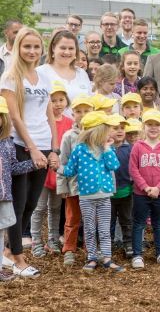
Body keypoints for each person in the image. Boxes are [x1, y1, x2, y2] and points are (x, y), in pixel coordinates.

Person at [0, 27, 59, 278]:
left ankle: (7, 251)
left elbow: (50, 115)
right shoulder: (10, 77)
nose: (32, 51)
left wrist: (54, 149)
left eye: (36, 47)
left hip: (44, 145)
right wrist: (32, 148)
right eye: (27, 46)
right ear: (18, 48)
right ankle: (18, 258)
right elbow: (14, 117)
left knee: (32, 203)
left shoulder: (43, 76)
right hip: (21, 145)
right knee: (19, 203)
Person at [60, 111, 124, 273]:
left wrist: (107, 147)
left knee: (104, 229)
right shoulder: (79, 150)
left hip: (104, 196)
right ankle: (92, 258)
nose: (110, 133)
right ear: (97, 131)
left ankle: (107, 258)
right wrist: (57, 167)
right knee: (89, 228)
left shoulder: (106, 149)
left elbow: (114, 166)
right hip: (86, 197)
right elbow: (70, 170)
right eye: (107, 130)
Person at [30, 83, 72, 257]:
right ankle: (36, 241)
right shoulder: (42, 122)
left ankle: (53, 239)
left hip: (59, 173)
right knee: (39, 207)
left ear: (66, 101)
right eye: (53, 100)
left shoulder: (70, 123)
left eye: (61, 100)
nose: (58, 104)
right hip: (43, 170)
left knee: (55, 207)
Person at [129, 109, 160, 269]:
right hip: (141, 193)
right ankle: (137, 255)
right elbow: (133, 169)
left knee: (158, 223)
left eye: (157, 124)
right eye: (149, 124)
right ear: (144, 127)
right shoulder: (137, 147)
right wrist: (145, 187)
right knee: (139, 223)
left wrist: (159, 188)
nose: (153, 127)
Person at [0, 95, 37, 281]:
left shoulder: (8, 142)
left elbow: (13, 168)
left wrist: (33, 164)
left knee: (1, 232)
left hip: (4, 196)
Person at [56, 95, 93, 266]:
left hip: (93, 187)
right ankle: (69, 249)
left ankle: (90, 249)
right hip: (74, 186)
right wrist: (62, 186)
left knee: (90, 220)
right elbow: (62, 162)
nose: (83, 114)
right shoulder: (69, 136)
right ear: (73, 114)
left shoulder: (97, 134)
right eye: (78, 111)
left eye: (86, 111)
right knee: (72, 219)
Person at [37, 30, 93, 117]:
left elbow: (90, 102)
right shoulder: (40, 72)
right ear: (53, 48)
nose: (67, 52)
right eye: (63, 48)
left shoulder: (82, 73)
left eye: (71, 48)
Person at [108, 114, 133, 258]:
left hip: (126, 191)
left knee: (126, 219)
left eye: (122, 128)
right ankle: (108, 245)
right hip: (109, 193)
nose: (119, 131)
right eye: (115, 128)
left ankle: (128, 243)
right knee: (108, 221)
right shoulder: (105, 148)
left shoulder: (129, 149)